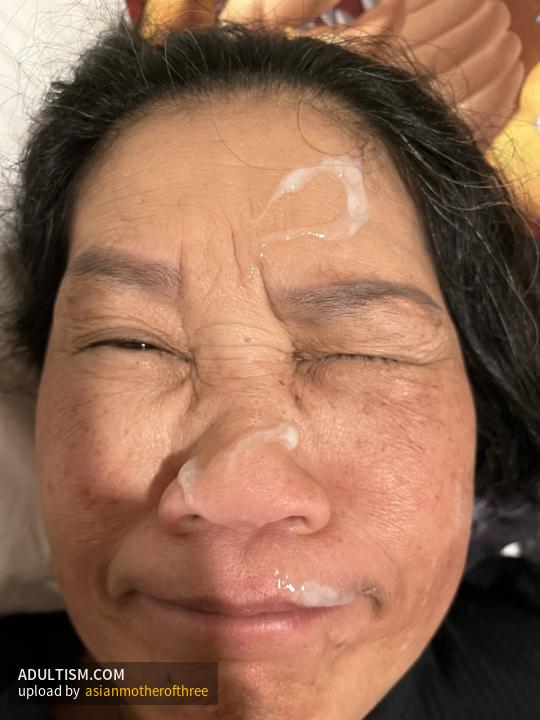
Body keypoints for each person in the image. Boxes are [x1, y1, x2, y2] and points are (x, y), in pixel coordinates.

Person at [0, 17, 539, 720]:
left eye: (361, 350)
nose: (236, 493)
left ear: (481, 407)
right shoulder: (41, 679)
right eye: (132, 343)